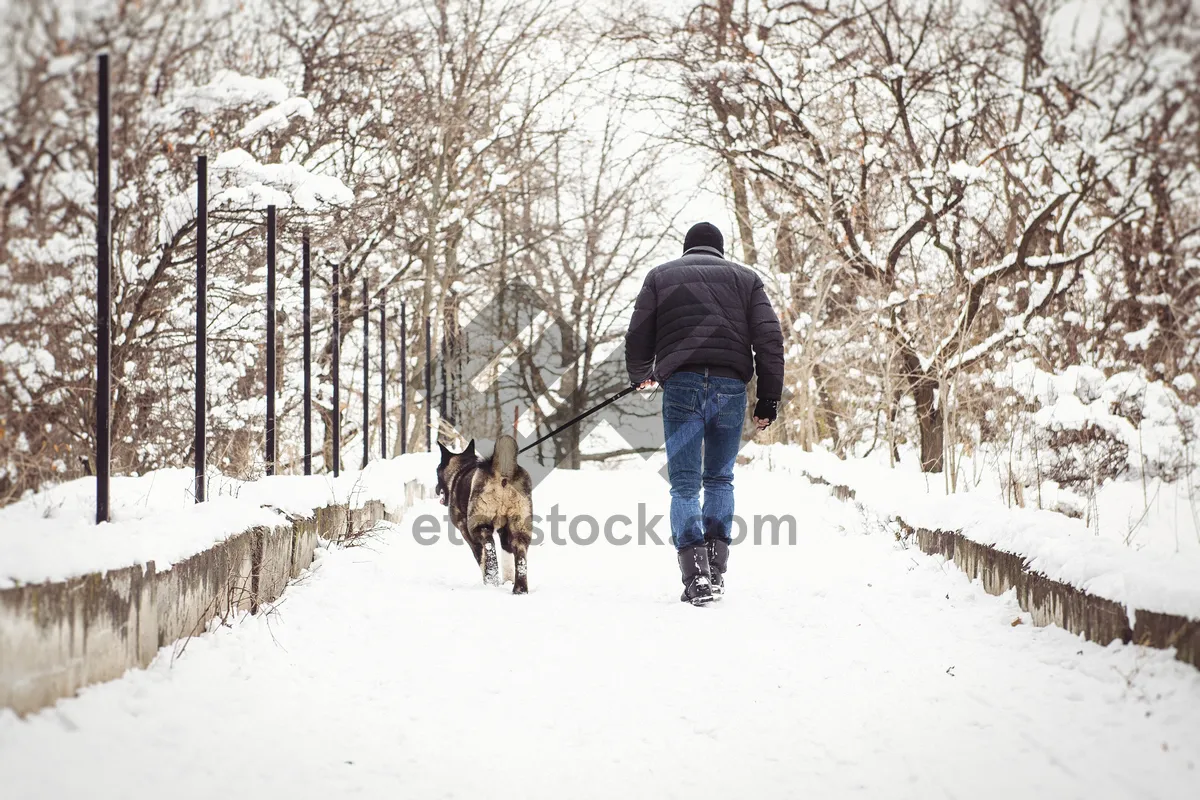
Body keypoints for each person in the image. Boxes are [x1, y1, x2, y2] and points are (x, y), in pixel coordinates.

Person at [625, 222, 785, 606]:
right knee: (719, 479)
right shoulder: (746, 280)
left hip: (682, 386)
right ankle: (715, 569)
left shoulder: (661, 276)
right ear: (720, 249)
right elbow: (770, 339)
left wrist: (640, 376)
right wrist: (768, 400)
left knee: (683, 485)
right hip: (730, 388)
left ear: (687, 248)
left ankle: (695, 577)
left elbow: (637, 335)